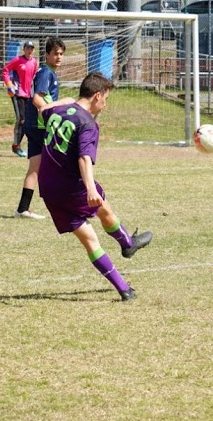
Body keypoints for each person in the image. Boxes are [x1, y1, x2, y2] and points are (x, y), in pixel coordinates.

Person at [38, 72, 152, 301]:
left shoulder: (56, 112)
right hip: (73, 186)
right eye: (105, 99)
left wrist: (66, 101)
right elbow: (84, 158)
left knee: (89, 239)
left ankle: (124, 290)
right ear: (97, 96)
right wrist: (90, 189)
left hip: (48, 187)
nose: (105, 105)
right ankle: (127, 244)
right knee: (104, 208)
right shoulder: (87, 123)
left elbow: (42, 110)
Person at [14, 36, 65, 219]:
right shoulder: (46, 73)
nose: (59, 57)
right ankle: (64, 205)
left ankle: (22, 208)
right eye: (55, 54)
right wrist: (50, 112)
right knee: (60, 163)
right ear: (47, 55)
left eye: (61, 54)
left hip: (35, 125)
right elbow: (37, 99)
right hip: (40, 126)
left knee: (35, 167)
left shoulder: (49, 72)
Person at [1, 40, 38, 158]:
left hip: (28, 95)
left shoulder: (34, 62)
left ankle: (20, 145)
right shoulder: (17, 60)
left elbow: (33, 77)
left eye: (31, 48)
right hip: (17, 94)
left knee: (27, 121)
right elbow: (5, 70)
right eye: (28, 48)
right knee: (21, 119)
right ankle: (16, 146)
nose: (29, 50)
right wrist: (9, 84)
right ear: (24, 49)